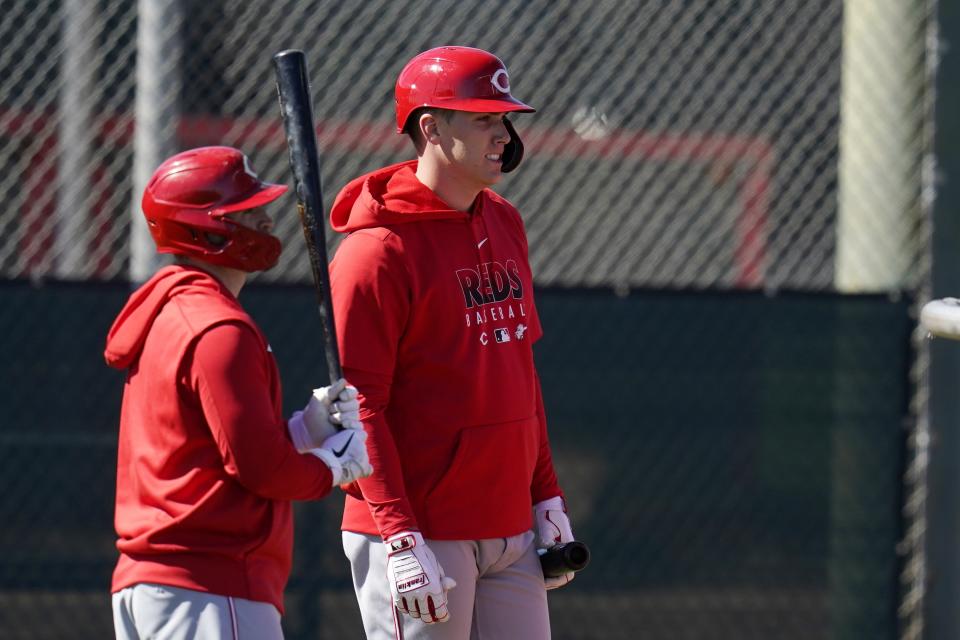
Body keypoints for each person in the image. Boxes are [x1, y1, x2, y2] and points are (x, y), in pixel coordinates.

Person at [329, 46, 576, 639]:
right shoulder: (376, 250)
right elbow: (361, 404)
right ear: (431, 127)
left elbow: (521, 372)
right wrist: (398, 533)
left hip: (508, 521)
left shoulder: (504, 220)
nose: (503, 135)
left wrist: (546, 495)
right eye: (483, 119)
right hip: (422, 530)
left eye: (504, 120)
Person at [104, 145, 373, 639]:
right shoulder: (217, 328)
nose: (266, 220)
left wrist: (305, 429)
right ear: (203, 230)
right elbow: (260, 470)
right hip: (208, 585)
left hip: (164, 585)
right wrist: (333, 467)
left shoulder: (172, 312)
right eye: (245, 212)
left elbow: (211, 451)